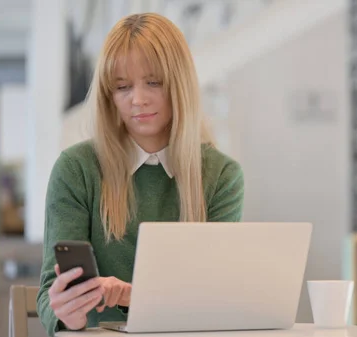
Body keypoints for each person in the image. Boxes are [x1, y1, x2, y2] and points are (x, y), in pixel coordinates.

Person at [36, 12, 244, 336]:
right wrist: (68, 315)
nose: (138, 99)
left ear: (179, 84)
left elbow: (214, 297)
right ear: (109, 96)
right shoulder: (76, 170)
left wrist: (138, 297)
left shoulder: (221, 176)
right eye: (122, 87)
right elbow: (52, 294)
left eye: (153, 82)